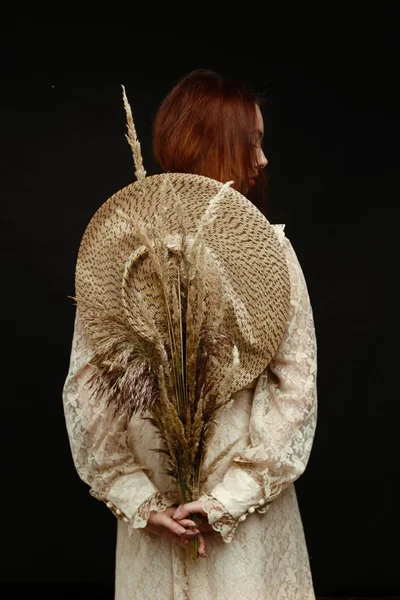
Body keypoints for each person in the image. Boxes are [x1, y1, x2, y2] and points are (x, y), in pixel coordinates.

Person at [62, 70, 318, 599]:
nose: (264, 160)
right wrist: (212, 500)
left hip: (221, 521)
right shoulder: (126, 258)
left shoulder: (119, 254)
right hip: (224, 517)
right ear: (214, 147)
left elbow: (90, 395)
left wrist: (150, 502)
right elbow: (296, 390)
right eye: (253, 144)